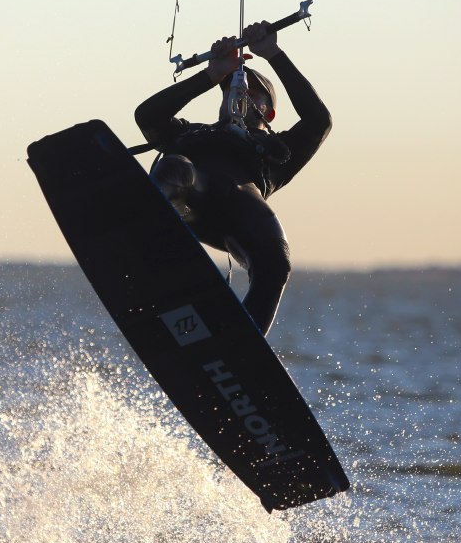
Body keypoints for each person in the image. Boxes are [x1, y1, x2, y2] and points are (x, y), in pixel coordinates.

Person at [135, 21, 331, 335]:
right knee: (176, 168)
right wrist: (212, 74)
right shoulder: (190, 132)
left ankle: (241, 349)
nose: (239, 92)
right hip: (189, 198)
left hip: (241, 215)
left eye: (252, 92)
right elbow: (147, 116)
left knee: (276, 265)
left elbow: (318, 120)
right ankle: (155, 254)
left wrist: (273, 54)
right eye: (231, 87)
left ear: (269, 112)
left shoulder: (278, 152)